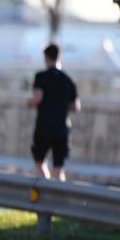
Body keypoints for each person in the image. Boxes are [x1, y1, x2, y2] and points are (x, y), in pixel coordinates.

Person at [28, 43, 80, 181]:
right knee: (58, 168)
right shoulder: (68, 80)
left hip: (43, 126)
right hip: (62, 128)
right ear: (59, 57)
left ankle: (43, 189)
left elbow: (37, 98)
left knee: (39, 163)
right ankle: (56, 197)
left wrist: (29, 102)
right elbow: (76, 107)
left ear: (46, 57)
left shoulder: (41, 76)